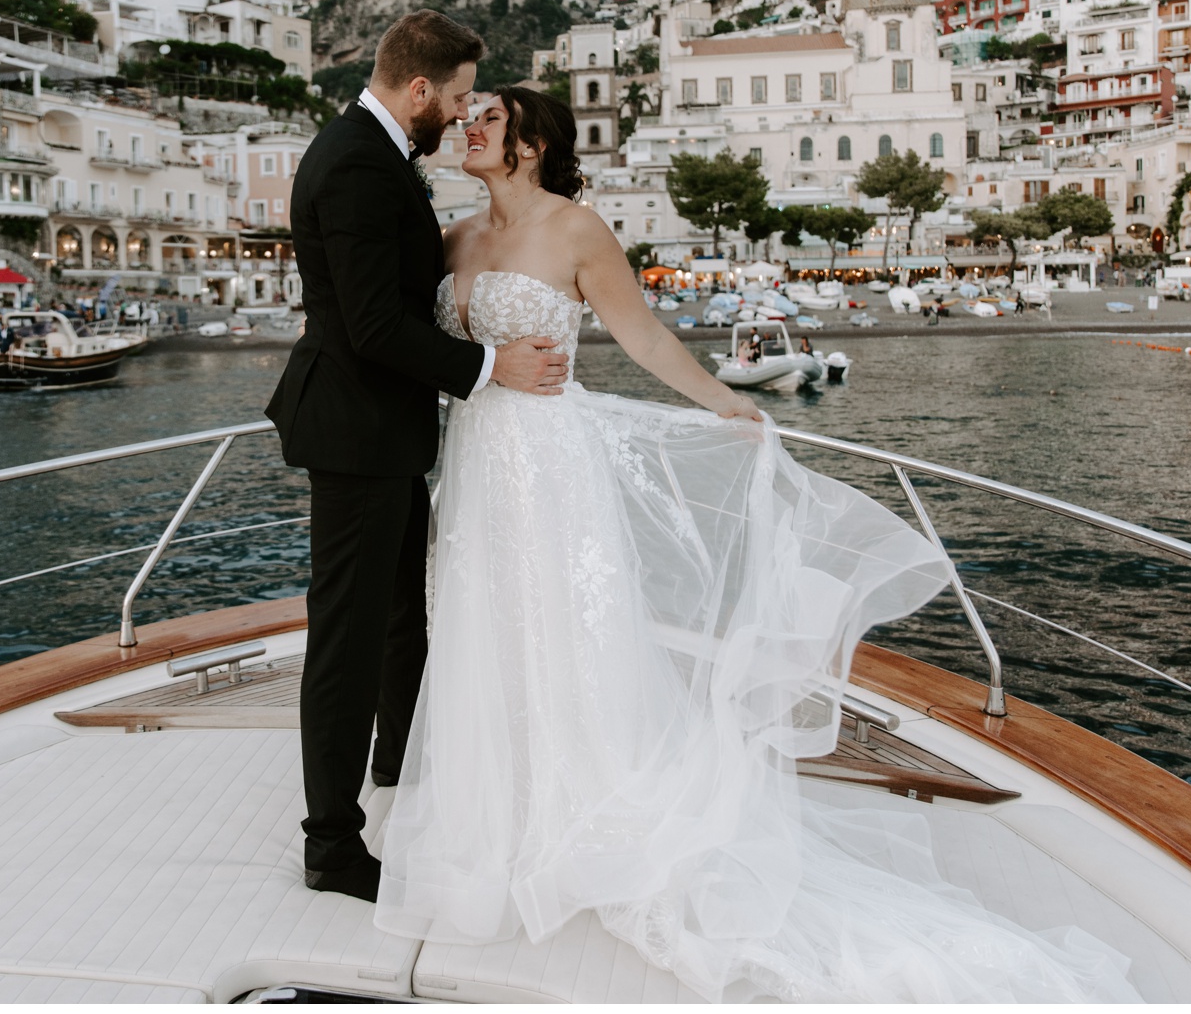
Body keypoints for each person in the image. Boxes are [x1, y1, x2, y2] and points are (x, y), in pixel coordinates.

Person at [364, 84, 1137, 1002]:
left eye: (488, 119)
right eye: (470, 116)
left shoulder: (577, 230)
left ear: (529, 145)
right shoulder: (453, 237)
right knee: (486, 628)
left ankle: (583, 808)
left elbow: (644, 336)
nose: (469, 126)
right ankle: (506, 807)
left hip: (550, 462)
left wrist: (727, 402)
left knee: (566, 628)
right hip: (478, 463)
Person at [265, 12, 570, 907]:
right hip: (356, 434)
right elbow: (369, 324)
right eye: (465, 94)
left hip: (385, 431)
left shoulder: (376, 152)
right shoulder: (358, 160)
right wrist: (488, 364)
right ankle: (332, 844)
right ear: (423, 90)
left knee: (403, 616)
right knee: (349, 638)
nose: (467, 111)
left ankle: (399, 763)